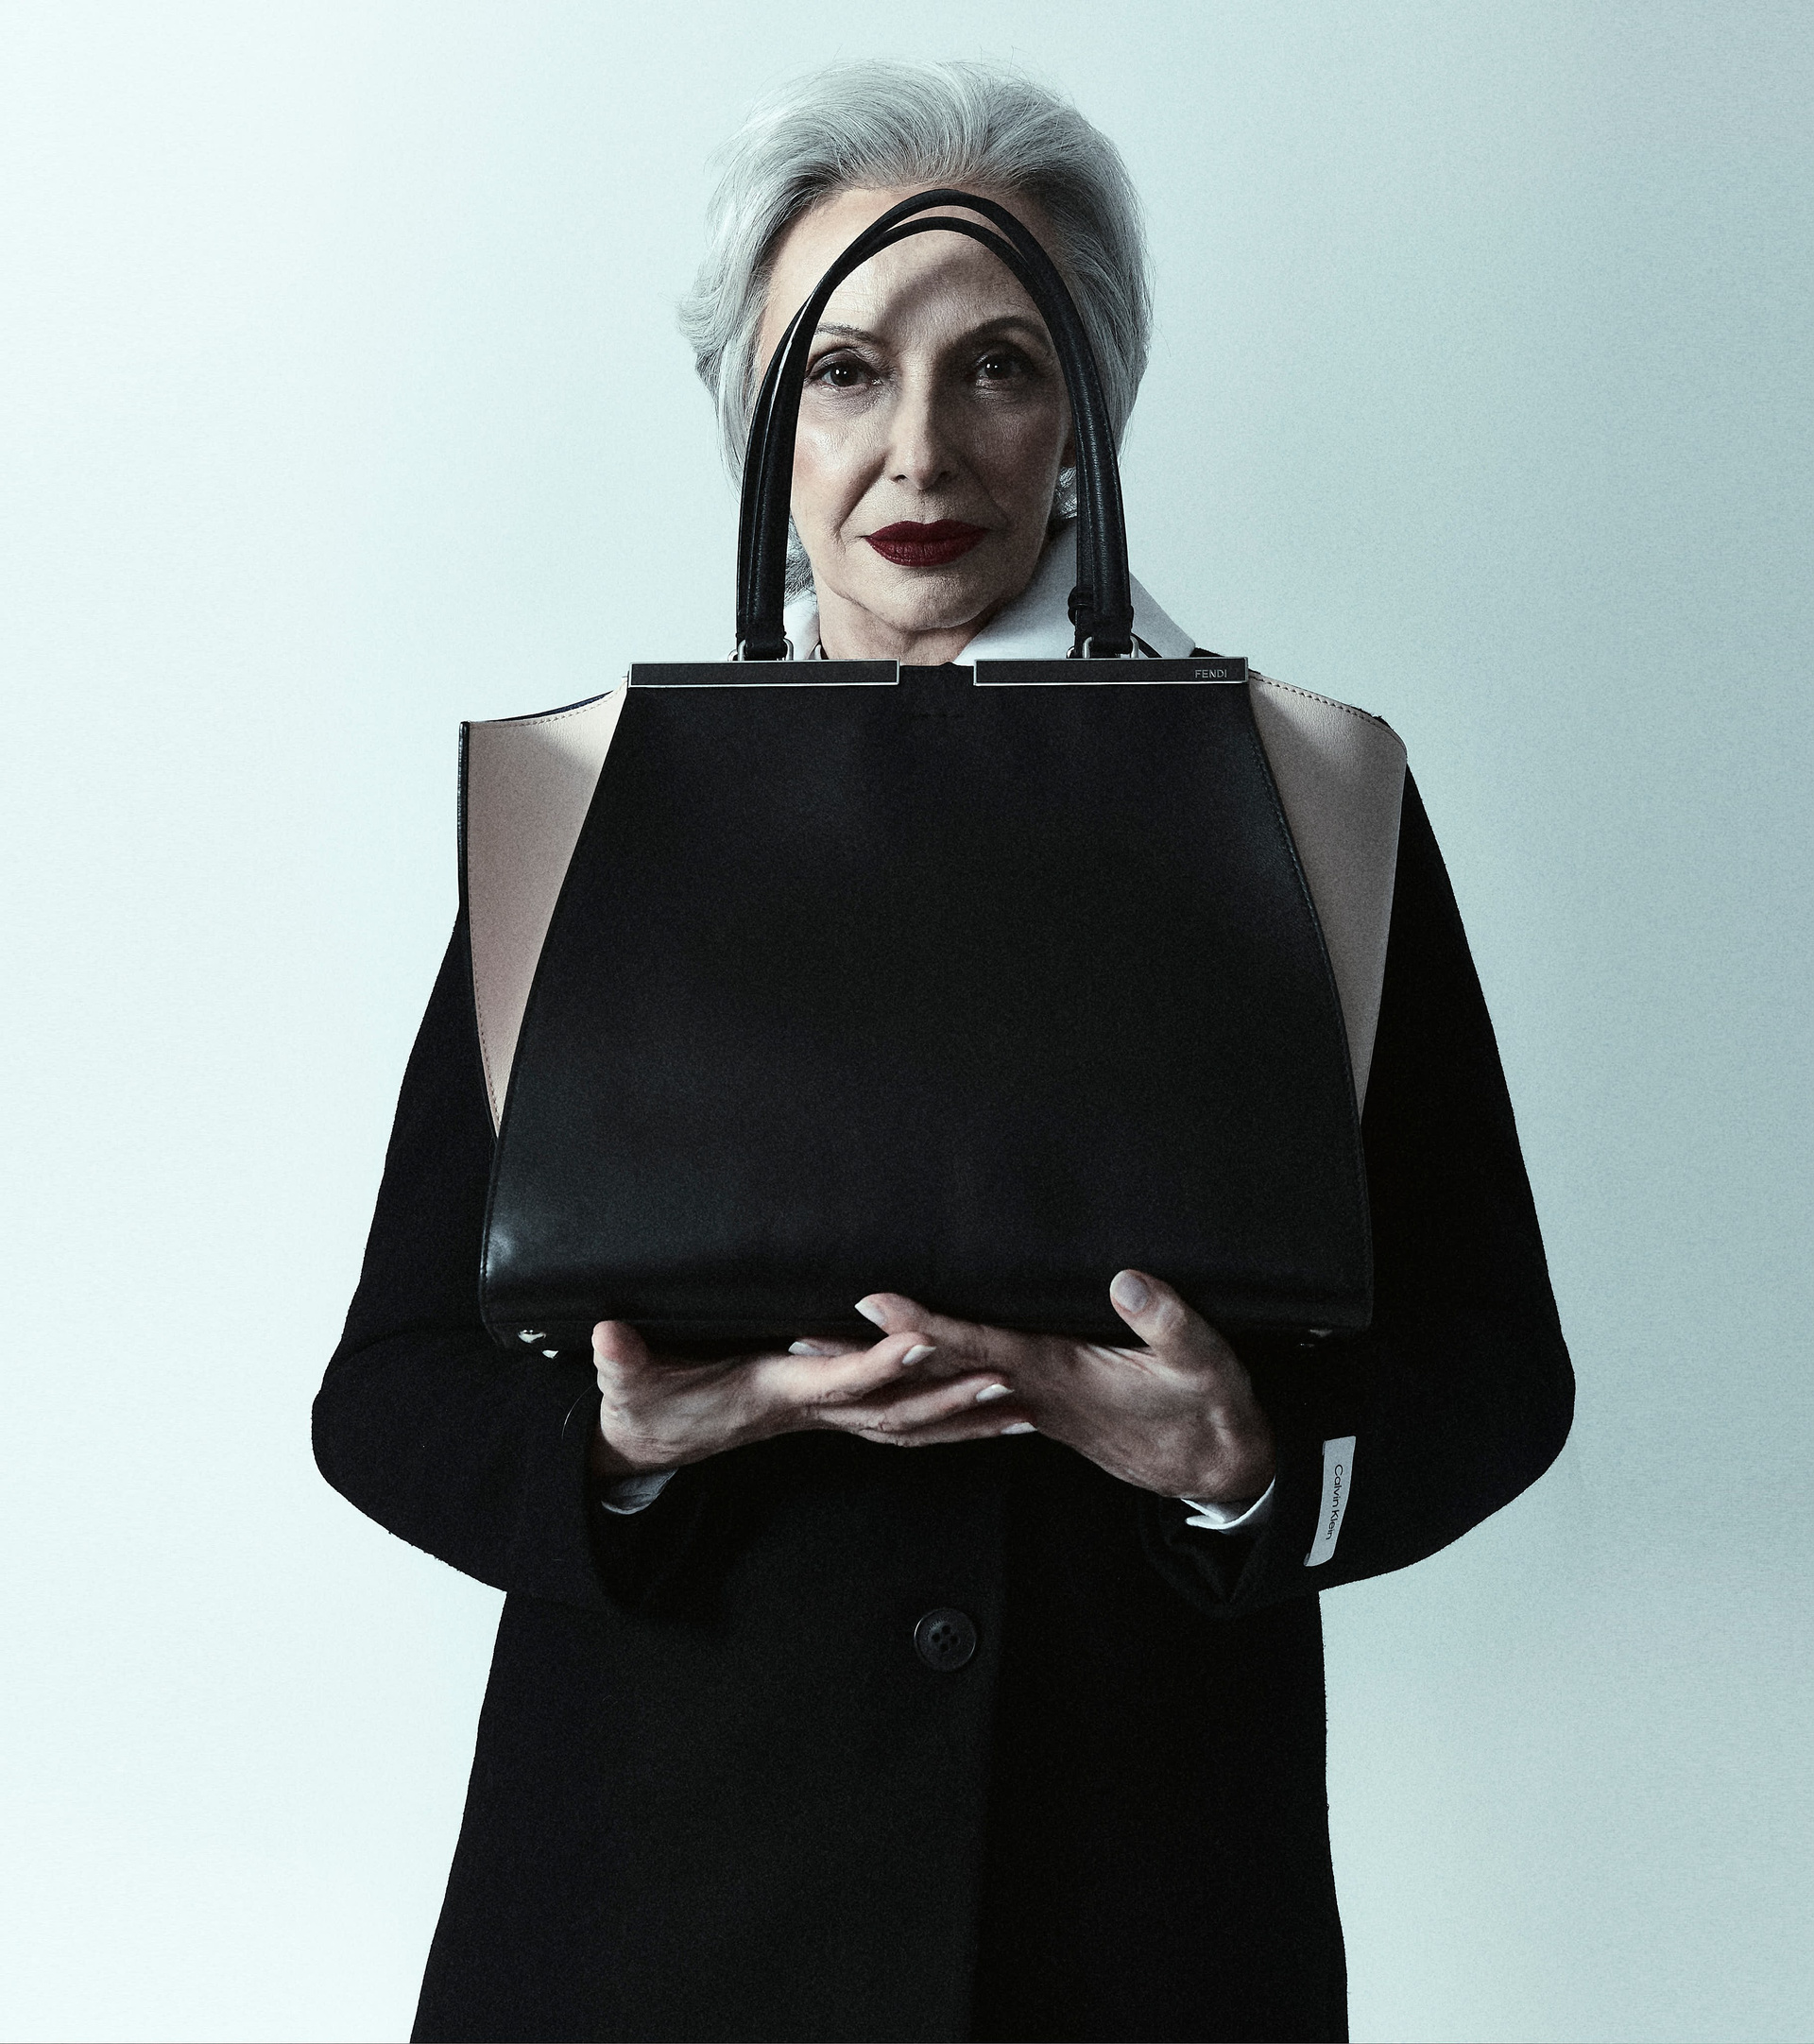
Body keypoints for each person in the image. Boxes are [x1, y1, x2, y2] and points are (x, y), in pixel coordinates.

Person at [313, 59, 1574, 2044]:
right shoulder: (599, 813)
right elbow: (387, 1393)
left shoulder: (1294, 806)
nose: (921, 448)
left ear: (1085, 413)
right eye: (842, 371)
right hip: (648, 1918)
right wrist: (632, 1448)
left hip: (1139, 1926)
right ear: (758, 413)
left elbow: (1494, 1370)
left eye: (998, 365)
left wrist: (1245, 1468)